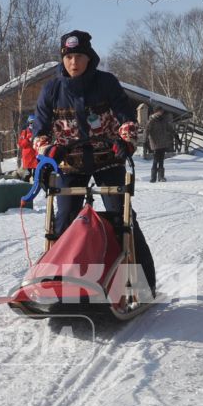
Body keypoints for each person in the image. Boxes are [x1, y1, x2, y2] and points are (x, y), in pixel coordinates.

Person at [28, 29, 156, 292]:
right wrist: (48, 150)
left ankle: (141, 284)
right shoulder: (52, 90)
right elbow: (38, 131)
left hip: (108, 158)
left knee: (121, 217)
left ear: (89, 58)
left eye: (79, 56)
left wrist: (126, 140)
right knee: (63, 220)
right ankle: (59, 282)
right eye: (68, 56)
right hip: (69, 163)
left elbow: (126, 117)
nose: (73, 62)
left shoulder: (106, 82)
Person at [145, 106, 177, 183]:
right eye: (160, 111)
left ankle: (161, 177)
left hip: (163, 142)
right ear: (156, 111)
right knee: (155, 160)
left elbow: (170, 128)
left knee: (161, 160)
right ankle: (153, 178)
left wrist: (176, 136)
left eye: (162, 111)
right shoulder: (151, 120)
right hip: (155, 143)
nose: (162, 112)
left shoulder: (163, 120)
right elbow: (146, 130)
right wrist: (144, 141)